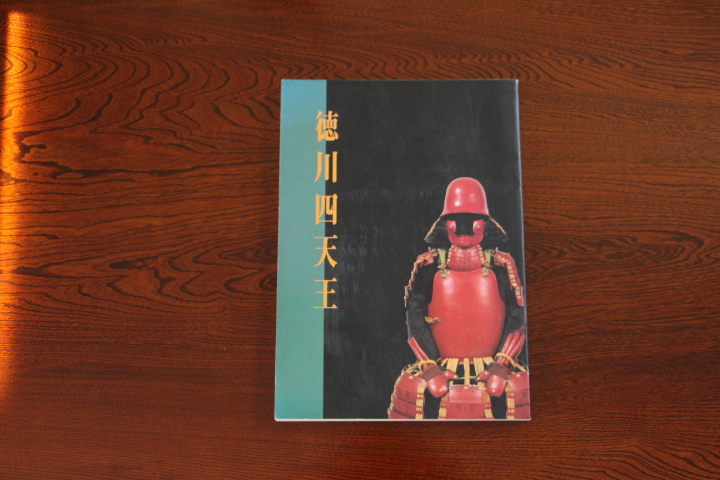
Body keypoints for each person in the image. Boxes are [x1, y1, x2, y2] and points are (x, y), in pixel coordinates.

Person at [388, 177, 529, 419]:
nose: (465, 227)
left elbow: (517, 317)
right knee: (416, 396)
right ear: (446, 224)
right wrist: (430, 368)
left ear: (484, 224)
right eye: (457, 219)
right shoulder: (428, 266)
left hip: (496, 369)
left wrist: (501, 366)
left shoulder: (502, 266)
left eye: (472, 219)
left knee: (511, 396)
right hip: (438, 368)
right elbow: (415, 319)